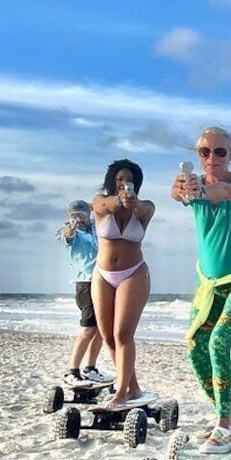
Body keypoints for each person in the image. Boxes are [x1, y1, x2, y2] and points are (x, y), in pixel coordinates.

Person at [170, 126, 231, 454]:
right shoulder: (192, 189)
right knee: (196, 349)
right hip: (210, 286)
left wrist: (198, 192)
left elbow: (227, 194)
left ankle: (225, 424)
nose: (211, 157)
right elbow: (180, 195)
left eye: (219, 152)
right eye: (203, 152)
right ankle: (224, 419)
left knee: (218, 342)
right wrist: (180, 191)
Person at [91, 159, 155, 407]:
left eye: (128, 180)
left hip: (133, 272)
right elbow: (105, 205)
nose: (123, 184)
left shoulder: (146, 206)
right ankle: (134, 387)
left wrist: (133, 202)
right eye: (119, 179)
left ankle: (121, 391)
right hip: (103, 274)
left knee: (123, 333)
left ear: (136, 183)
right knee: (108, 336)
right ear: (112, 181)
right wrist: (119, 200)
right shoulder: (100, 201)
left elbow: (143, 210)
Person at [55, 199, 112, 386]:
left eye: (81, 215)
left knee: (101, 330)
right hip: (85, 282)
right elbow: (67, 235)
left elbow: (103, 211)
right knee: (88, 328)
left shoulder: (96, 227)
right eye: (74, 216)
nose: (78, 219)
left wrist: (93, 205)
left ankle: (90, 368)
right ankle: (72, 371)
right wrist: (70, 228)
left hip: (104, 280)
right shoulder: (71, 231)